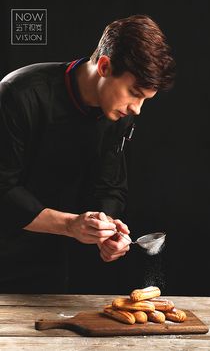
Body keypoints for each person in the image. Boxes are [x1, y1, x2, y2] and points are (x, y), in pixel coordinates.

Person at [0, 15, 175, 293]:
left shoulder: (119, 115)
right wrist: (71, 225)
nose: (137, 109)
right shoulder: (18, 94)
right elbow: (3, 189)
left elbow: (111, 185)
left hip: (50, 267)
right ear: (104, 66)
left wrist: (105, 228)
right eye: (134, 93)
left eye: (145, 100)